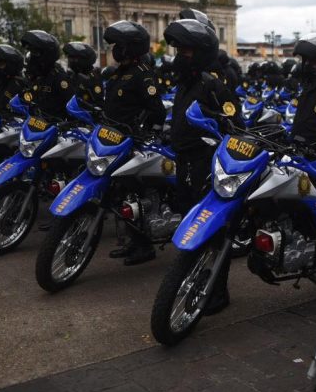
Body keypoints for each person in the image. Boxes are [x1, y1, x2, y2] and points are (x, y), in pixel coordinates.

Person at [164, 17, 240, 308]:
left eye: (185, 52)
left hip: (205, 166)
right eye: (178, 51)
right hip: (183, 162)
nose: (179, 58)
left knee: (213, 231)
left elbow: (235, 127)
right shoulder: (187, 83)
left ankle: (217, 290)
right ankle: (195, 277)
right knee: (189, 223)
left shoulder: (213, 86)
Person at [100, 21, 167, 265]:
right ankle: (132, 241)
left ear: (132, 48)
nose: (115, 50)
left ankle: (143, 245)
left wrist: (145, 133)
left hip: (132, 143)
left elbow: (156, 111)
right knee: (121, 195)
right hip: (112, 141)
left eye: (119, 45)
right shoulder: (118, 73)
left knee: (136, 195)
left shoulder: (142, 74)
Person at [21, 30, 73, 118]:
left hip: (55, 128)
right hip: (34, 126)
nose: (32, 57)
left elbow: (71, 109)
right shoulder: (37, 76)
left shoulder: (59, 78)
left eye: (35, 52)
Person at [62, 42, 101, 108]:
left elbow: (98, 103)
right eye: (69, 57)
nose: (70, 60)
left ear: (83, 59)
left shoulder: (92, 77)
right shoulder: (72, 75)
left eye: (73, 58)